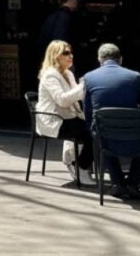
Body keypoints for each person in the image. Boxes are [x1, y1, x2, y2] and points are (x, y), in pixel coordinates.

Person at [82, 43, 140, 200]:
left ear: (99, 60)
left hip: (106, 137)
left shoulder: (89, 77)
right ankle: (133, 182)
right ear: (120, 59)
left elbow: (88, 112)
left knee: (100, 134)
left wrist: (93, 129)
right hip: (135, 136)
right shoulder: (135, 77)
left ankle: (117, 183)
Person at [35, 40, 92, 183]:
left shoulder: (68, 73)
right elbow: (62, 100)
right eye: (66, 53)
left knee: (96, 126)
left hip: (69, 117)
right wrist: (83, 87)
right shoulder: (50, 75)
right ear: (55, 56)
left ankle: (80, 163)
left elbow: (76, 97)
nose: (71, 56)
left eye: (71, 52)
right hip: (54, 120)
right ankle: (80, 166)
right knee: (94, 131)